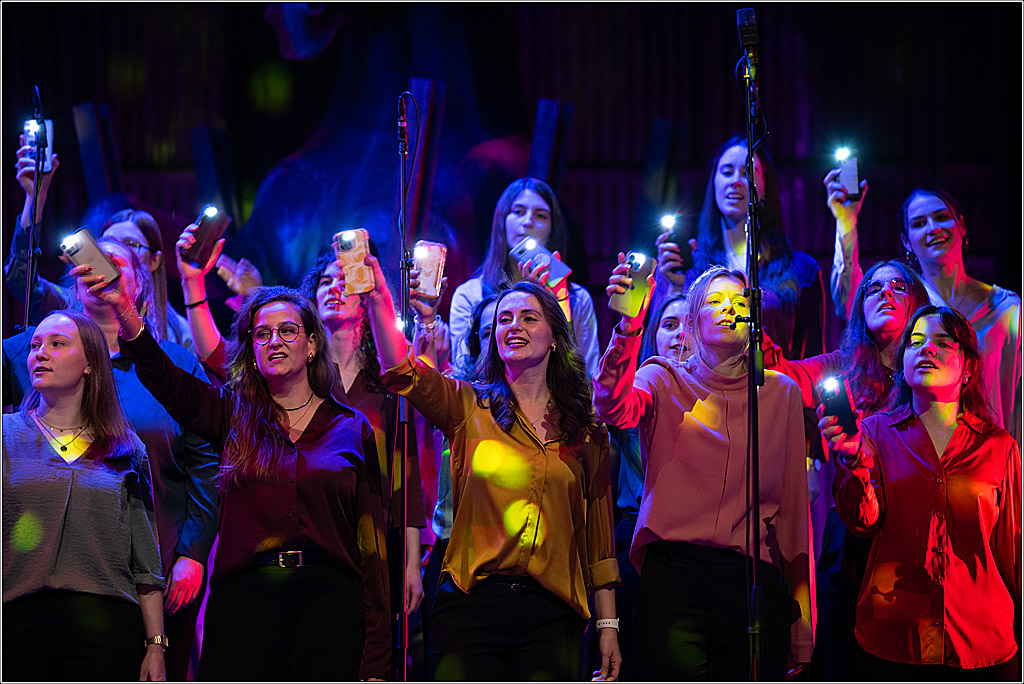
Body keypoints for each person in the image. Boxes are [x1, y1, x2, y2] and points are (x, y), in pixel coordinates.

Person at [79, 261, 392, 679]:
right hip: (247, 604)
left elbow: (371, 548)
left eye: (287, 331)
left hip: (329, 605)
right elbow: (167, 380)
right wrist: (124, 309)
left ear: (312, 344)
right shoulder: (229, 411)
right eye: (261, 334)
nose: (273, 341)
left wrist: (376, 661)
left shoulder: (350, 427)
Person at [362, 251, 621, 681]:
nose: (513, 326)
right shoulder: (468, 405)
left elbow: (599, 543)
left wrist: (609, 627)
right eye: (504, 319)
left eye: (528, 318)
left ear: (556, 336)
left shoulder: (585, 429)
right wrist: (377, 299)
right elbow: (401, 371)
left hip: (551, 614)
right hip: (471, 606)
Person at [3, 238, 218, 681]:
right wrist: (31, 201)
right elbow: (15, 278)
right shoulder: (28, 358)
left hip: (143, 572)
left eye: (114, 263)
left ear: (138, 283)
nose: (97, 271)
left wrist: (193, 553)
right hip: (27, 589)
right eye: (88, 262)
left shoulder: (172, 366)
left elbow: (206, 462)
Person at [594, 260, 813, 680]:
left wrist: (803, 627)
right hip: (674, 577)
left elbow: (793, 518)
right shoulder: (662, 377)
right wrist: (627, 329)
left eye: (738, 300)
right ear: (693, 322)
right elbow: (613, 407)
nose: (730, 308)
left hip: (750, 582)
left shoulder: (781, 392)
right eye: (715, 300)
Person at [825, 305, 1020, 679]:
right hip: (894, 638)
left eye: (943, 343)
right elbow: (862, 521)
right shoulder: (875, 433)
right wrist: (852, 463)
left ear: (969, 369)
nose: (927, 349)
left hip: (981, 645)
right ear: (902, 365)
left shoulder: (1000, 448)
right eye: (915, 343)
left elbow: (1014, 552)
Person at [759, 259, 930, 678]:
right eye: (872, 288)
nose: (885, 292)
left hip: (915, 528)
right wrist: (750, 319)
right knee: (841, 653)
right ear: (859, 309)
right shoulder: (843, 367)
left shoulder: (934, 368)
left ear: (919, 305)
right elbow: (780, 374)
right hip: (852, 529)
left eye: (897, 286)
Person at [3, 310, 166, 681]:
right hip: (16, 620)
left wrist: (155, 644)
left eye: (57, 344)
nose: (40, 354)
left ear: (91, 363)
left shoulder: (125, 447)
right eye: (35, 346)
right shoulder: (5, 436)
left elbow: (146, 560)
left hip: (106, 626)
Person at [828, 179, 1021, 442]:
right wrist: (846, 222)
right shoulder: (905, 305)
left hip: (989, 456)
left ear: (962, 226)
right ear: (906, 241)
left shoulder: (1006, 310)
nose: (933, 228)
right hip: (919, 453)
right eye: (919, 223)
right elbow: (847, 300)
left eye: (941, 217)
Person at [4, 142, 195, 353]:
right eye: (108, 245)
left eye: (131, 245)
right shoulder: (76, 302)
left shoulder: (179, 332)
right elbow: (21, 278)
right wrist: (35, 198)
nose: (116, 254)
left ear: (153, 261)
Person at [655, 135, 825, 360]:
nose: (736, 181)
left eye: (747, 173)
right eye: (726, 172)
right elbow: (665, 342)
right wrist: (669, 285)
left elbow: (813, 355)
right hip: (705, 392)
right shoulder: (691, 268)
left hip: (778, 389)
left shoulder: (802, 269)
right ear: (713, 182)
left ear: (764, 187)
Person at [448, 177, 602, 375]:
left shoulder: (577, 298)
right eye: (518, 212)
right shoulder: (470, 294)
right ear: (501, 222)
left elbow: (587, 373)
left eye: (541, 215)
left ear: (552, 229)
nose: (528, 222)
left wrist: (556, 303)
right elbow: (464, 371)